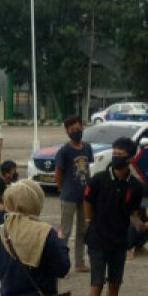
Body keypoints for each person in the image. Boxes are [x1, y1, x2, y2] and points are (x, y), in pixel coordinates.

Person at [84, 137, 144, 296]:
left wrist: (137, 233)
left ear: (130, 158)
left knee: (115, 284)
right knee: (97, 283)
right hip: (97, 239)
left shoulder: (135, 187)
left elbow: (134, 214)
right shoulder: (98, 179)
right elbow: (88, 202)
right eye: (114, 153)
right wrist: (90, 222)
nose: (116, 158)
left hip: (119, 241)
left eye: (121, 155)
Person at [54, 115, 92, 274]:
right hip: (68, 195)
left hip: (85, 195)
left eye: (78, 129)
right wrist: (62, 188)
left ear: (82, 127)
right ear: (67, 132)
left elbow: (88, 168)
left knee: (82, 230)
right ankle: (60, 264)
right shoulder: (64, 151)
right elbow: (59, 172)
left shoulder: (87, 148)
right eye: (72, 130)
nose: (76, 132)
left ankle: (79, 263)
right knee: (65, 231)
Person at [0, 159, 19, 227]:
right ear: (6, 173)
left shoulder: (14, 180)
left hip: (9, 206)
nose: (15, 172)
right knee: (0, 209)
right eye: (13, 171)